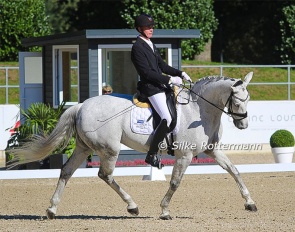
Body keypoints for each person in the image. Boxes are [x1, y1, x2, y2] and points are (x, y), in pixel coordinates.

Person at [131, 13, 192, 168]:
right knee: (167, 117)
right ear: (139, 28)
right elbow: (146, 73)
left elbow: (162, 66)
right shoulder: (137, 47)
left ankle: (171, 143)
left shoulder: (150, 44)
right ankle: (151, 154)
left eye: (152, 26)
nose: (151, 29)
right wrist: (169, 80)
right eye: (147, 27)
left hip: (159, 86)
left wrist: (180, 73)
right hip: (150, 88)